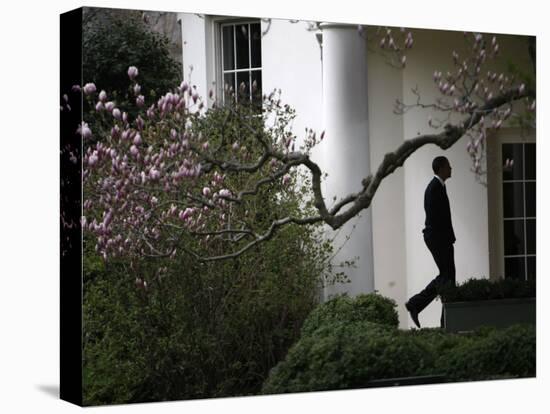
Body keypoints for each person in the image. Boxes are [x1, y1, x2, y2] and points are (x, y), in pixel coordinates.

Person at [406, 156, 456, 328]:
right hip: (438, 239)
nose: (451, 168)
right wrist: (445, 240)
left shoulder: (438, 187)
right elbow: (435, 218)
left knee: (448, 279)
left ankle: (445, 321)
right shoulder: (434, 188)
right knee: (447, 277)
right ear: (441, 168)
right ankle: (416, 304)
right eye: (448, 166)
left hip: (441, 239)